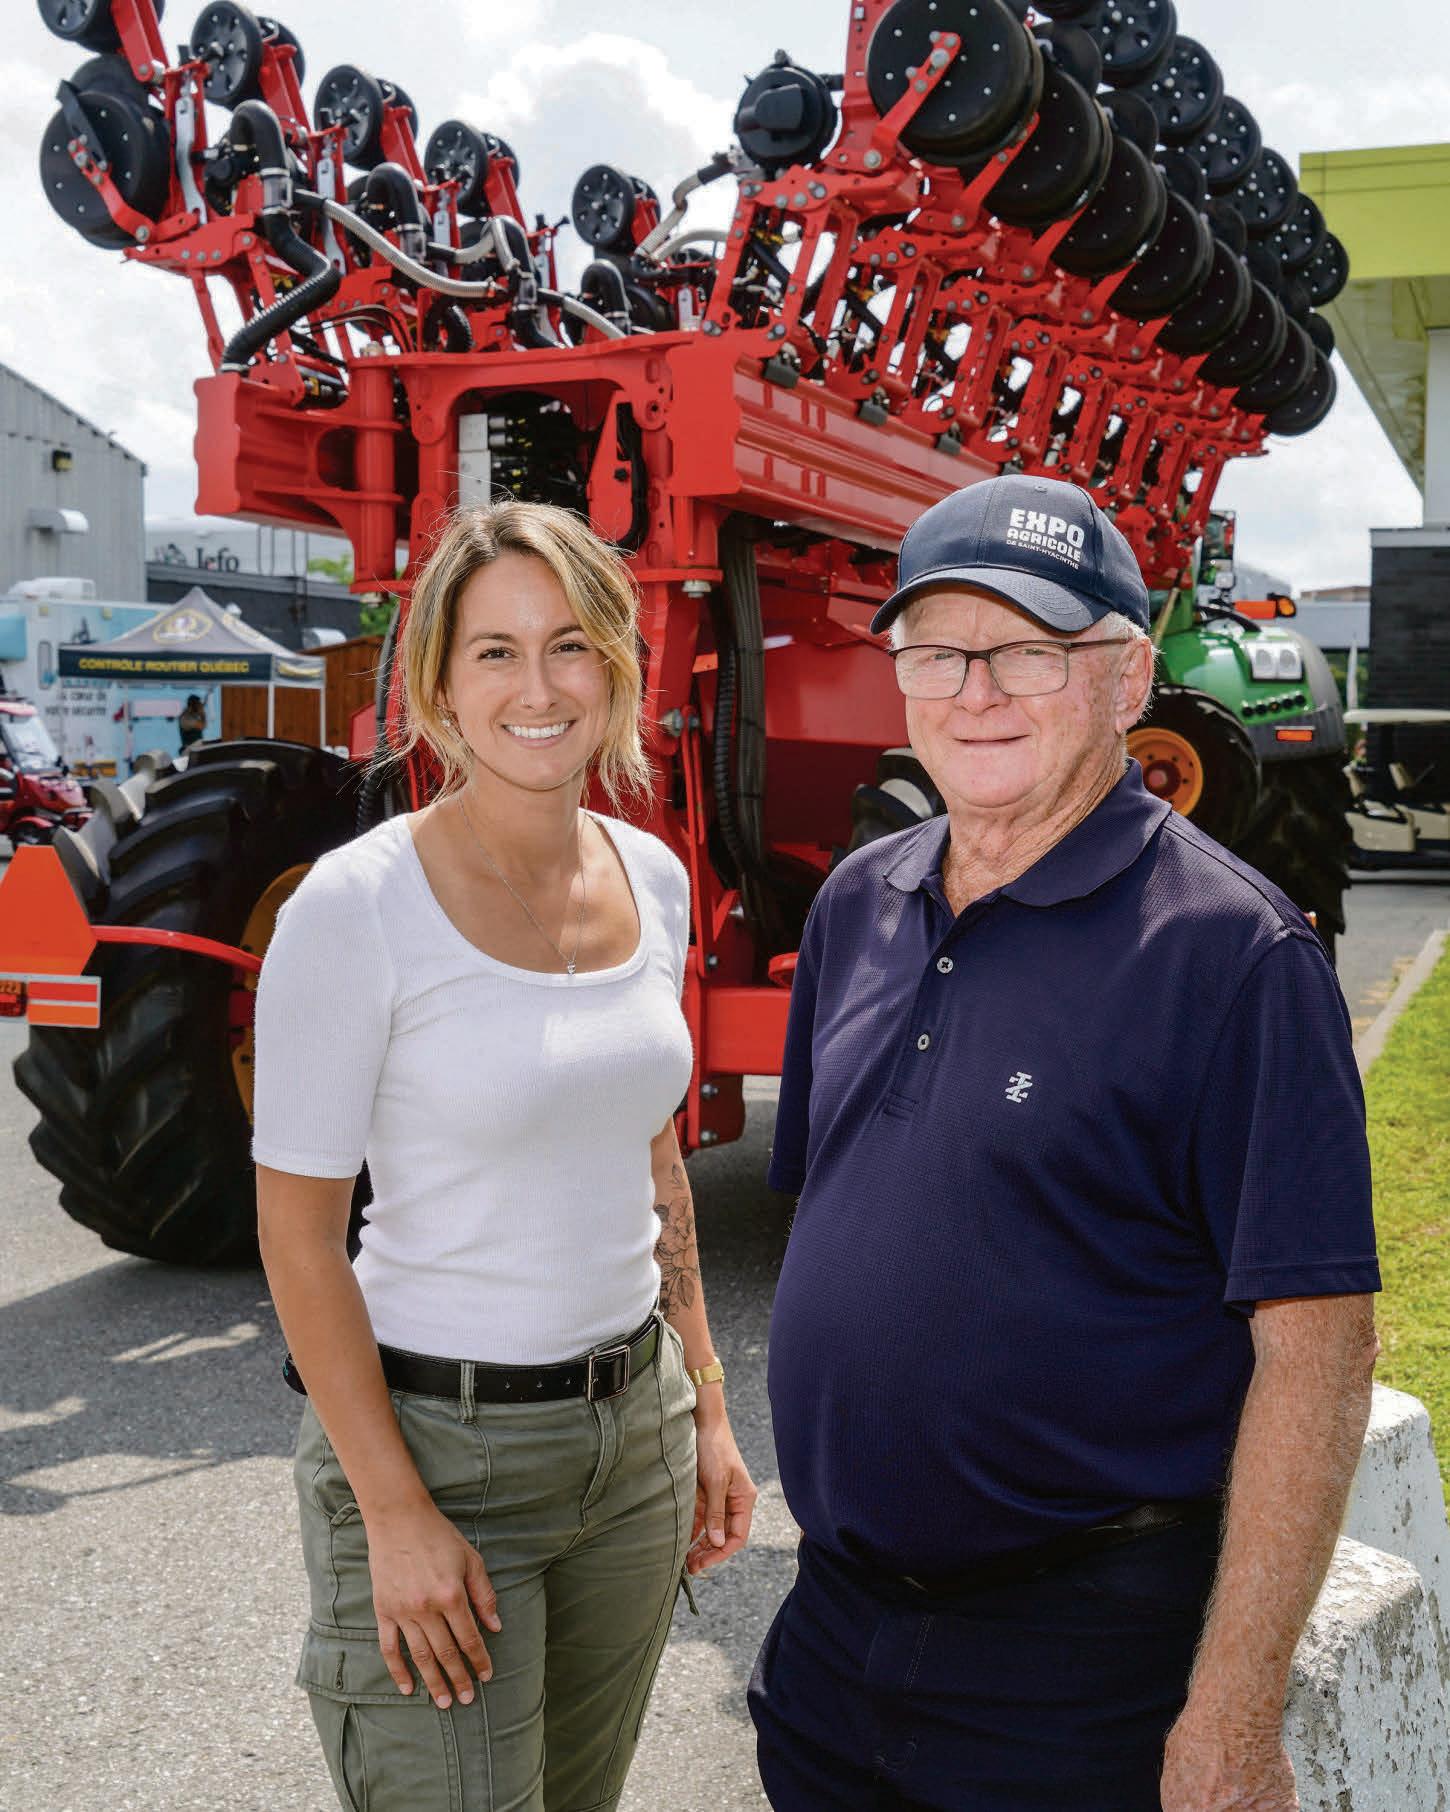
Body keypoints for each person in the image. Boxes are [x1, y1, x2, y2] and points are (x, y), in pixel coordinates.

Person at [748, 473, 1380, 1812]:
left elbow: (1318, 1352)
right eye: (937, 651)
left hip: (1078, 1668)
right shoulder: (858, 903)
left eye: (1029, 650)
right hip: (832, 1635)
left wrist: (1232, 1714)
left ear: (1126, 677)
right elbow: (840, 1217)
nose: (974, 691)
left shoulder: (1231, 955)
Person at [253, 499, 756, 1812]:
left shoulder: (652, 878)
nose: (538, 688)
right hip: (437, 1450)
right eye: (495, 651)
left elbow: (652, 1160)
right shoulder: (354, 908)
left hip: (633, 1444)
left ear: (618, 668)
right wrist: (392, 1513)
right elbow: (298, 1239)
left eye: (570, 644)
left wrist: (705, 1404)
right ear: (436, 683)